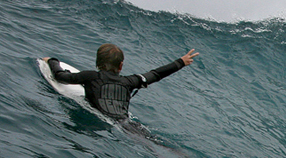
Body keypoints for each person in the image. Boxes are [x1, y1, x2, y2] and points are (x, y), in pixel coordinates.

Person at [43, 44, 199, 123]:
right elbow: (156, 74)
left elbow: (60, 76)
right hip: (128, 123)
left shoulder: (90, 76)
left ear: (97, 62)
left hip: (106, 120)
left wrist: (52, 61)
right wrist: (180, 62)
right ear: (121, 66)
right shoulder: (128, 81)